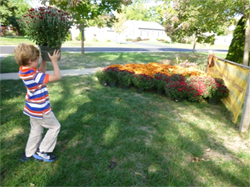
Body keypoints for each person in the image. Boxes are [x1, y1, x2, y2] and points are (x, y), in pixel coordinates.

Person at [14, 43, 61, 162]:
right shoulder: (34, 75)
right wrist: (54, 62)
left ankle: (29, 153)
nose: (38, 61)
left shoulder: (24, 70)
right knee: (55, 127)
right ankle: (43, 151)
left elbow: (40, 72)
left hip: (31, 108)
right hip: (41, 109)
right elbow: (57, 77)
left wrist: (44, 60)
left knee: (36, 130)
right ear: (30, 61)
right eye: (37, 59)